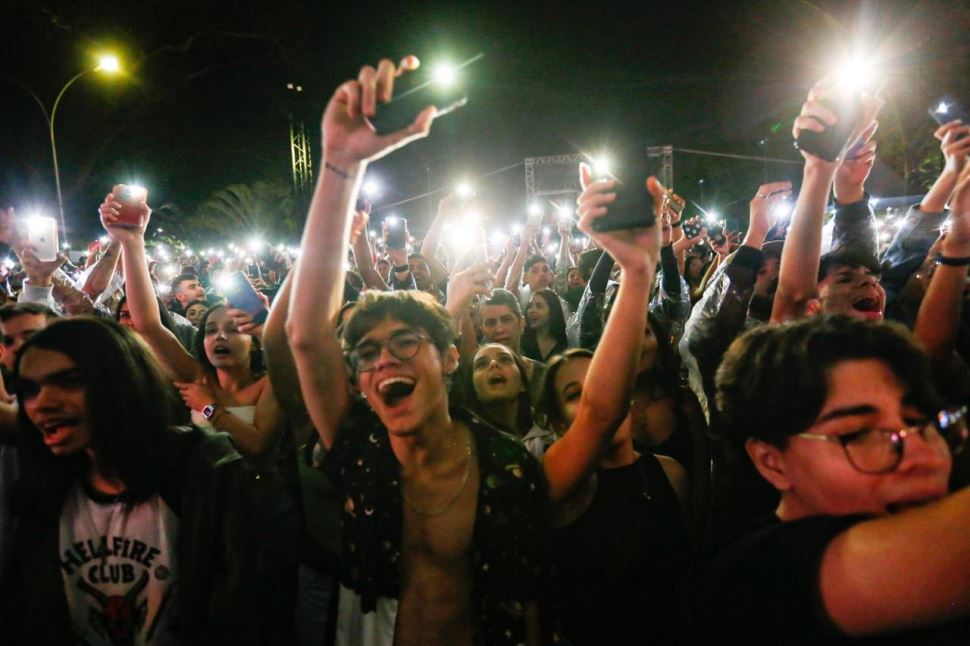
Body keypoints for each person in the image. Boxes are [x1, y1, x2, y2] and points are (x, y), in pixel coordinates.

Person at [285, 55, 542, 645]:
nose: (384, 360)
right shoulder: (359, 447)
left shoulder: (507, 466)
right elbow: (306, 336)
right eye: (367, 352)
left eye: (405, 342)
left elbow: (530, 596)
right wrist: (340, 166)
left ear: (450, 357)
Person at [703, 315, 970, 644]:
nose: (925, 458)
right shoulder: (756, 576)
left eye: (919, 422)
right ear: (773, 463)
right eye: (858, 434)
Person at [0, 317, 268, 643]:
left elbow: (237, 612)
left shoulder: (203, 472)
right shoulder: (46, 488)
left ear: (122, 380)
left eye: (69, 382)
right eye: (29, 390)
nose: (42, 403)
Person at [537, 164, 690, 645]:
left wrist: (644, 263)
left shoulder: (671, 475)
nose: (603, 395)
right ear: (554, 421)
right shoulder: (559, 484)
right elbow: (599, 416)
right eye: (575, 395)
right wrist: (635, 272)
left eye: (605, 382)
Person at [99, 191, 284, 461]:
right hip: (206, 488)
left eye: (232, 329)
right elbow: (148, 325)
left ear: (254, 341)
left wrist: (209, 408)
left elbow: (257, 446)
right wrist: (132, 242)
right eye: (211, 330)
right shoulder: (198, 377)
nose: (220, 336)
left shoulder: (273, 383)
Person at [467, 342, 553, 457]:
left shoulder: (550, 432)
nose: (494, 363)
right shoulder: (468, 448)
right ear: (474, 389)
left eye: (505, 359)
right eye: (481, 364)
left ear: (522, 383)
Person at [521, 288, 569, 363]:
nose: (532, 310)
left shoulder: (565, 344)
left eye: (539, 306)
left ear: (552, 312)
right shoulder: (521, 341)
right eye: (530, 306)